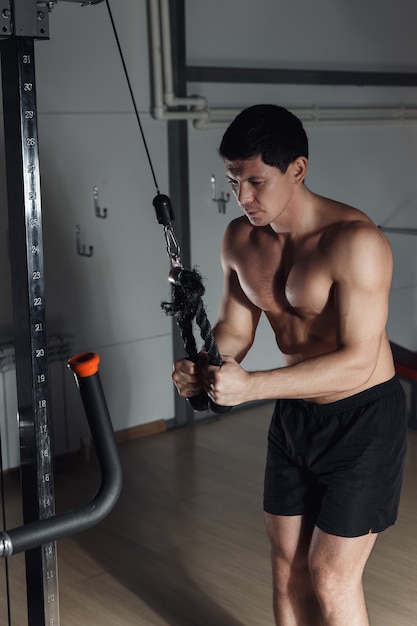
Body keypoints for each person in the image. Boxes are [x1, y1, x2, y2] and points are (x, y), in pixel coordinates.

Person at [172, 104, 408, 625]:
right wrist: (210, 364)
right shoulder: (239, 239)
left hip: (363, 418)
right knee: (286, 568)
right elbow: (236, 328)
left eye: (257, 181)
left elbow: (356, 361)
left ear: (297, 170)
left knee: (330, 576)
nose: (243, 197)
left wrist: (251, 387)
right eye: (235, 181)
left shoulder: (355, 242)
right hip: (297, 418)